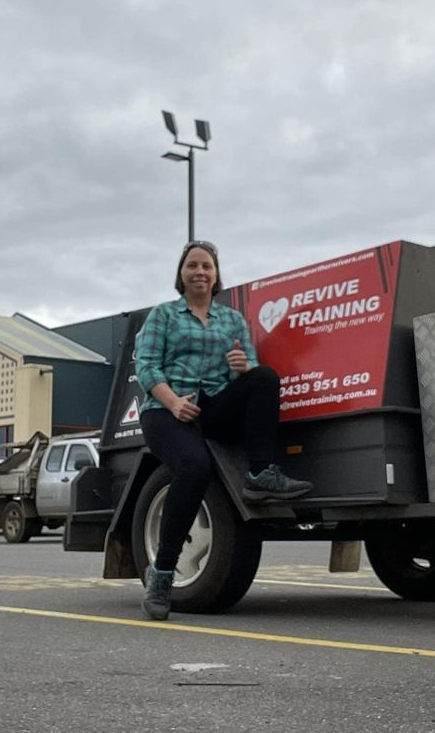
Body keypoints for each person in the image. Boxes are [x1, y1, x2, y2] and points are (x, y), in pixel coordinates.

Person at [134, 239, 313, 620]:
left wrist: (240, 367)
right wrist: (172, 402)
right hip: (166, 410)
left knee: (264, 378)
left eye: (207, 266)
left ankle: (260, 474)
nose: (199, 271)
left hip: (212, 404)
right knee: (194, 466)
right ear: (180, 275)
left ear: (216, 277)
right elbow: (147, 367)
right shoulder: (163, 315)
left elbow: (247, 367)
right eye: (192, 265)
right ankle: (162, 574)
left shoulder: (232, 320)